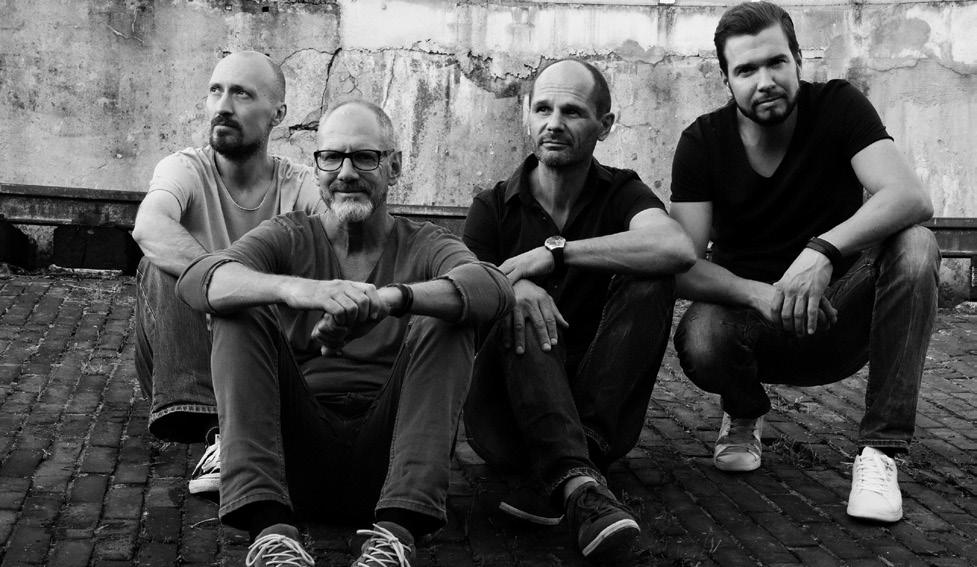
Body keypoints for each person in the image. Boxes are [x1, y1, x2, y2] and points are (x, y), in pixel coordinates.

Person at [175, 100, 513, 567]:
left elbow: (493, 287)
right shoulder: (288, 235)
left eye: (365, 157)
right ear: (316, 169)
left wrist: (388, 300)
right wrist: (301, 290)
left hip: (392, 461)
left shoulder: (426, 243)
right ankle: (272, 536)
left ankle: (395, 539)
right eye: (331, 157)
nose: (346, 172)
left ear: (395, 166)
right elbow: (199, 280)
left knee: (449, 314)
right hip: (295, 460)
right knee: (239, 309)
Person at [669, 1, 939, 524]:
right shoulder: (702, 142)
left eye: (776, 62)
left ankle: (880, 452)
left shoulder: (838, 105)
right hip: (752, 326)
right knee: (701, 337)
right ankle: (744, 411)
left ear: (797, 60)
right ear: (726, 79)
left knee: (916, 245)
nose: (764, 81)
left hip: (839, 311)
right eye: (746, 70)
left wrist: (822, 251)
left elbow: (909, 196)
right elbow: (682, 264)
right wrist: (759, 294)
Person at [462, 58, 696, 560]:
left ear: (604, 126)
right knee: (516, 302)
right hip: (505, 424)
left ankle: (571, 476)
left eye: (571, 112)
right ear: (526, 116)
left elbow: (676, 248)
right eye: (542, 109)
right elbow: (464, 293)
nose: (553, 123)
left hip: (598, 424)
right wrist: (511, 289)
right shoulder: (492, 207)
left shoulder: (622, 192)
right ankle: (581, 480)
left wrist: (557, 252)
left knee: (652, 277)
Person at [131, 51, 323, 496]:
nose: (223, 106)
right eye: (215, 91)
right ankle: (219, 432)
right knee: (156, 266)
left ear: (278, 114)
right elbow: (149, 226)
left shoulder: (300, 185)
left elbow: (344, 241)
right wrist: (224, 283)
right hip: (182, 358)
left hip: (263, 360)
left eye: (242, 94)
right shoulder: (185, 168)